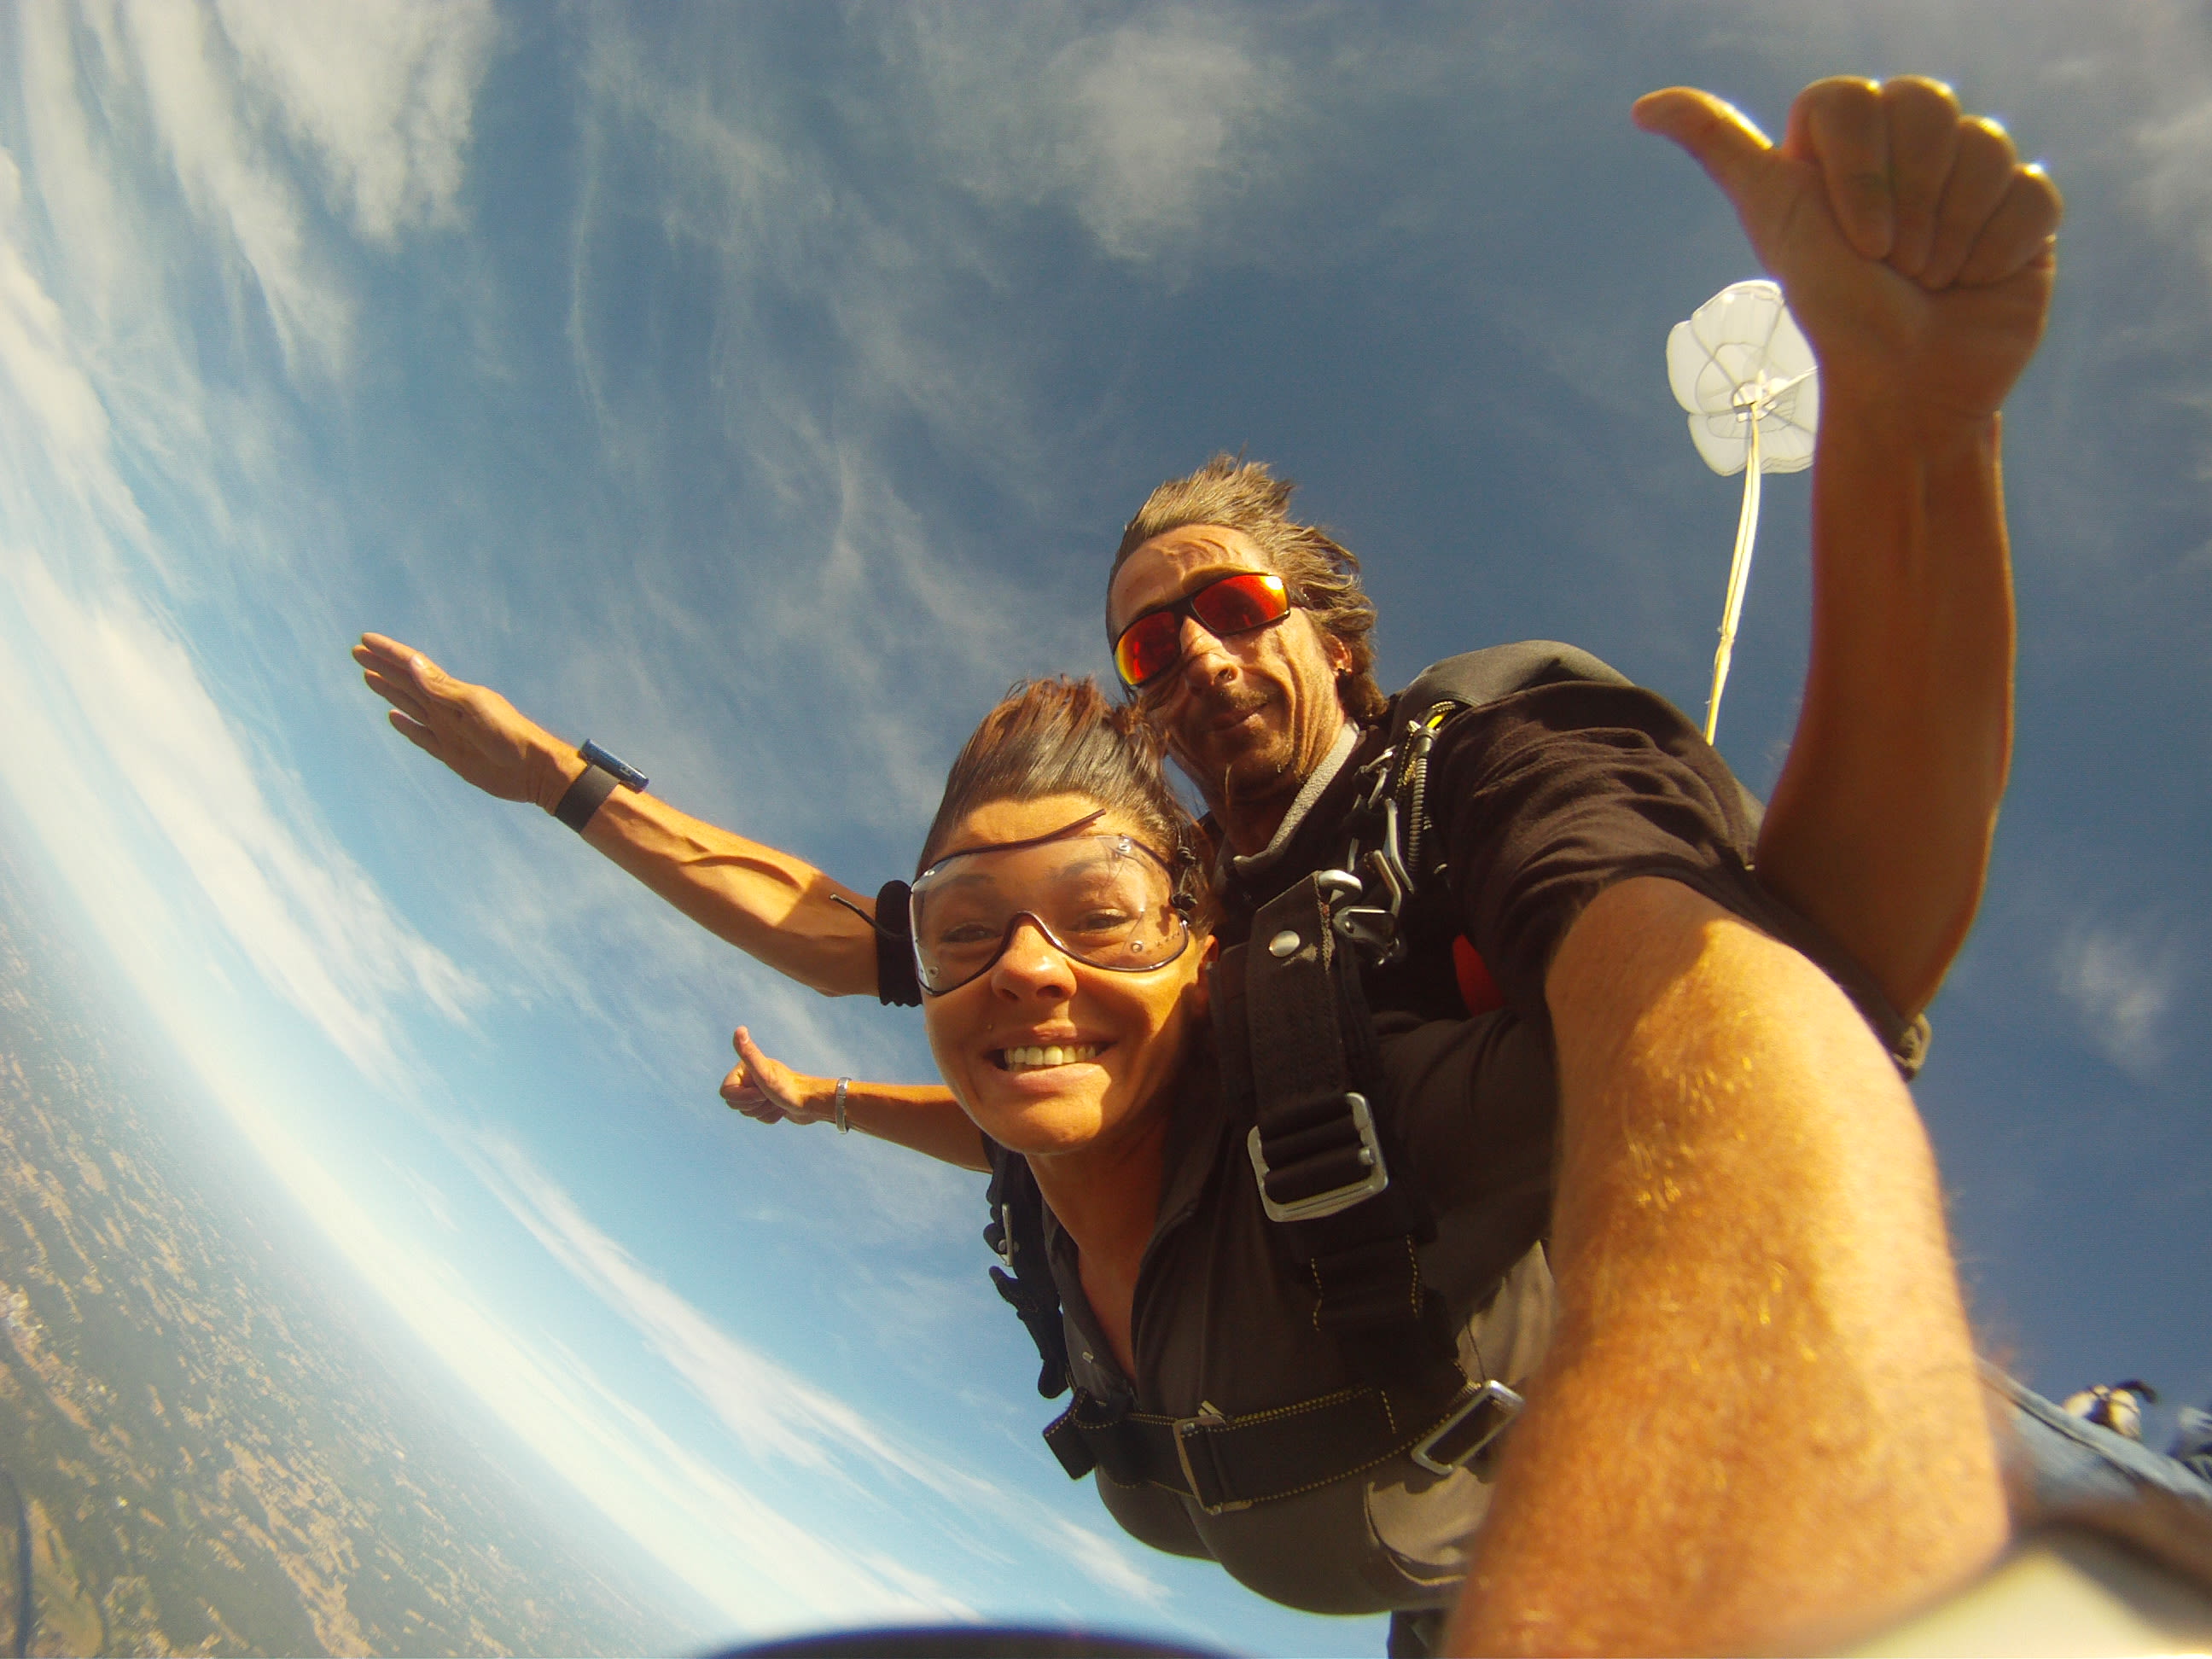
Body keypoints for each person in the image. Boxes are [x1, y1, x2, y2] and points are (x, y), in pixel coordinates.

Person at [355, 72, 2055, 1654]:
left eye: (1233, 608)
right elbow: (872, 950)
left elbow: (1757, 997)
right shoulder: (1136, 916)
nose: (1194, 659)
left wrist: (1909, 436)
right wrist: (567, 789)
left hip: (1547, 1555)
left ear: (1325, 622)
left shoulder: (1470, 781)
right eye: (1148, 648)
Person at [722, 673, 2001, 1656]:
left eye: (1100, 913)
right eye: (964, 933)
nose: (1028, 969)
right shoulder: (1046, 1148)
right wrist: (823, 1098)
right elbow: (982, 1130)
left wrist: (1915, 438)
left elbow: (1792, 980)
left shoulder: (1351, 1120)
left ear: (1203, 951)